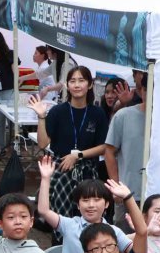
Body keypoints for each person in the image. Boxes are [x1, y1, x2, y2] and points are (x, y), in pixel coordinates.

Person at [30, 67, 110, 218]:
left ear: (90, 85)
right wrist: (41, 117)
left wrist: (78, 155)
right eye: (72, 81)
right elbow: (42, 143)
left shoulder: (97, 113)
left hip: (87, 170)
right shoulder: (57, 111)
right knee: (60, 217)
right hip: (61, 169)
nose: (77, 85)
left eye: (81, 80)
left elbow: (103, 147)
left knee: (89, 216)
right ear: (67, 85)